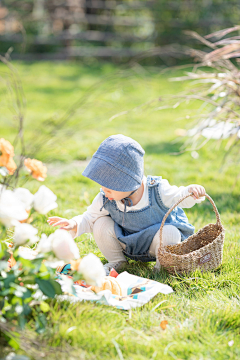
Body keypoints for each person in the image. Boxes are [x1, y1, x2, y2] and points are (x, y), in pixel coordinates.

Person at [48, 134, 206, 275]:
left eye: (109, 187)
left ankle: (162, 267)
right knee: (100, 222)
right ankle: (117, 261)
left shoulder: (157, 190)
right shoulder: (106, 197)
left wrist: (191, 192)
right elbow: (90, 217)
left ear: (128, 183)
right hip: (127, 244)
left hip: (155, 244)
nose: (104, 191)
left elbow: (179, 196)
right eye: (102, 186)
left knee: (171, 231)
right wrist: (73, 223)